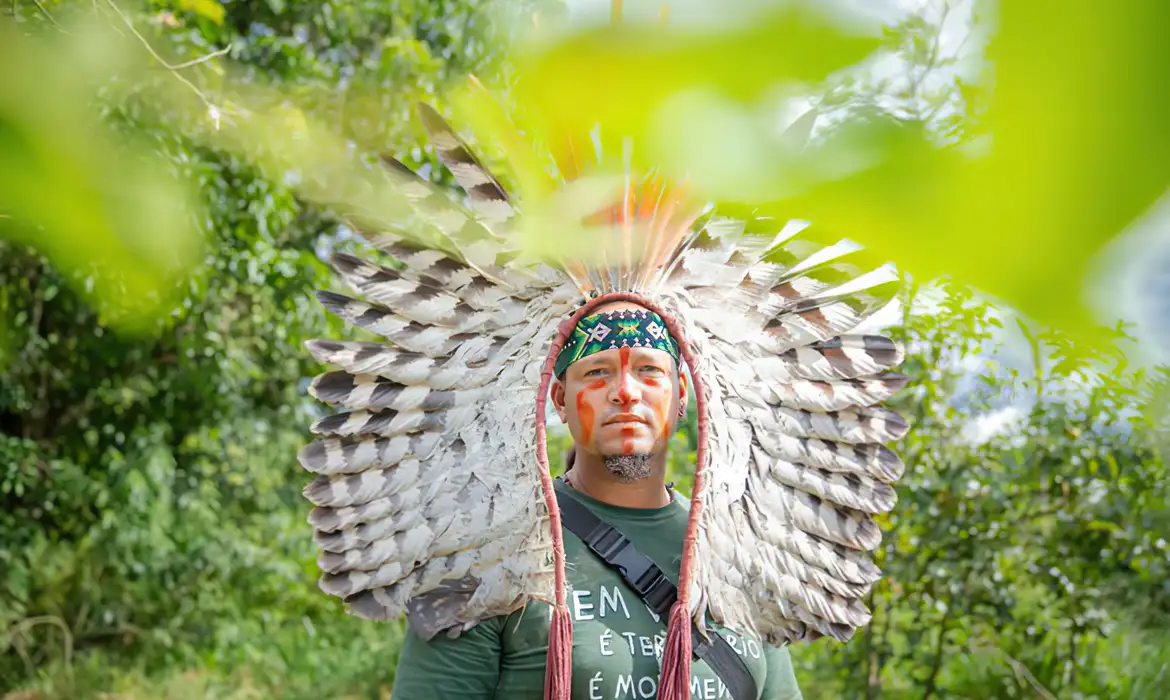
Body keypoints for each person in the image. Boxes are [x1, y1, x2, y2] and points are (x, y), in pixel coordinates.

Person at [388, 300, 804, 699]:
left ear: (680, 395)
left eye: (648, 370)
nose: (625, 391)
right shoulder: (488, 553)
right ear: (559, 400)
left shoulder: (733, 553)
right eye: (598, 372)